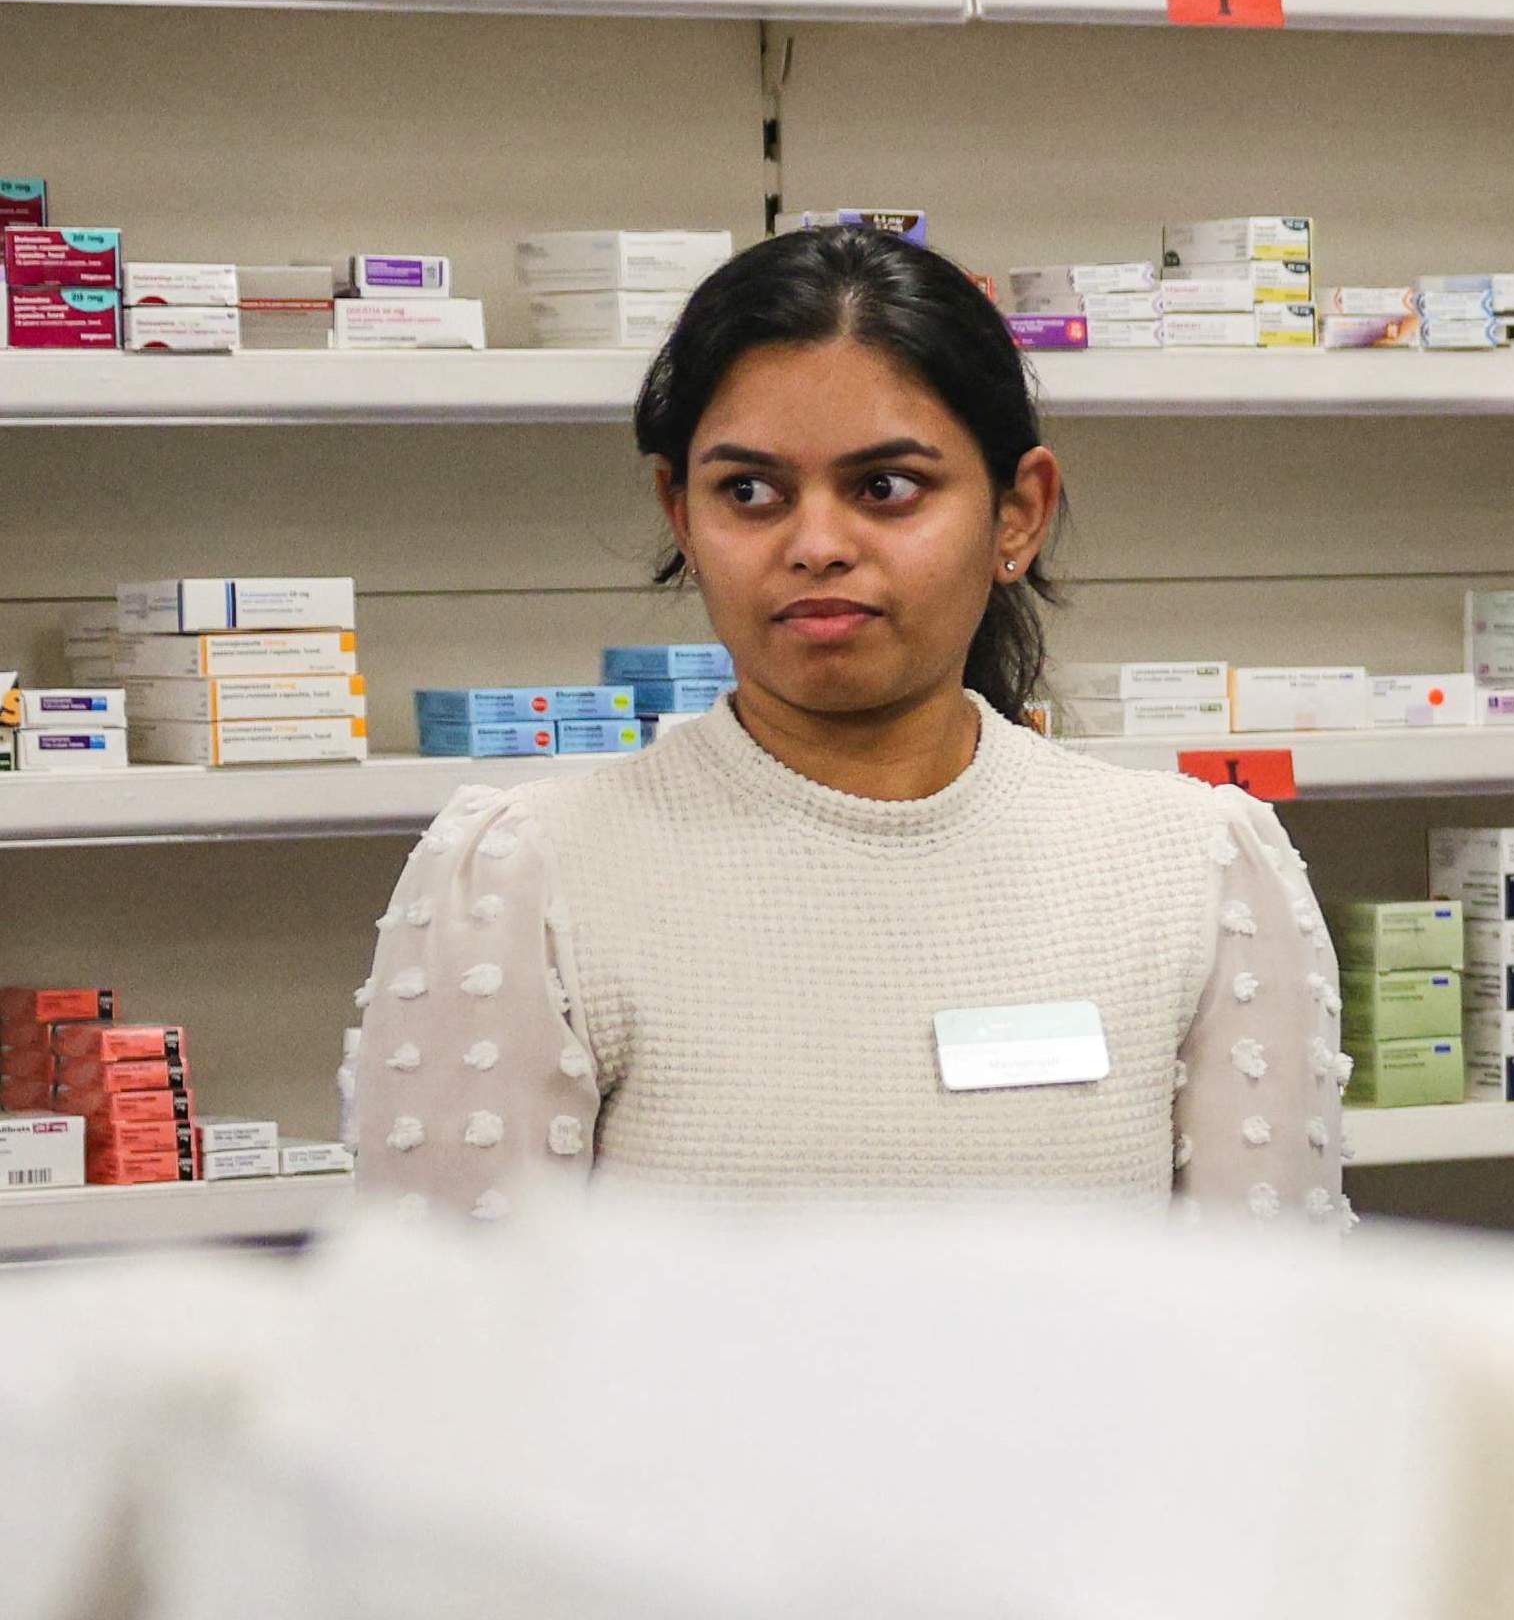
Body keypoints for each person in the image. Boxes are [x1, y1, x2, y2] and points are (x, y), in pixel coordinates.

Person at [343, 226, 1350, 1227]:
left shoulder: (1197, 867)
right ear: (681, 514)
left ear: (1017, 512)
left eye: (886, 487)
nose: (817, 543)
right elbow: (453, 1349)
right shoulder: (526, 877)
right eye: (750, 491)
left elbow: (1269, 1335)